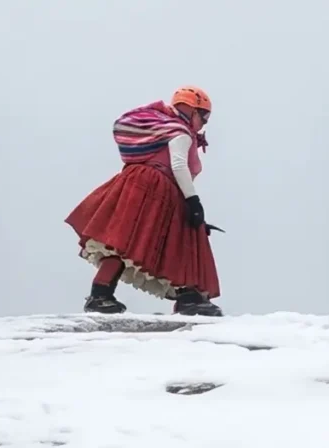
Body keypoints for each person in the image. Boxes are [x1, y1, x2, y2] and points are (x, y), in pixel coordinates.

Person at [65, 87, 222, 316]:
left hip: (136, 183)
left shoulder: (161, 127)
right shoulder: (180, 132)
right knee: (178, 237)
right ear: (191, 110)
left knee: (125, 240)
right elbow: (178, 165)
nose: (204, 123)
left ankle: (101, 294)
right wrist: (193, 201)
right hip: (156, 186)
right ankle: (189, 297)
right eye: (204, 116)